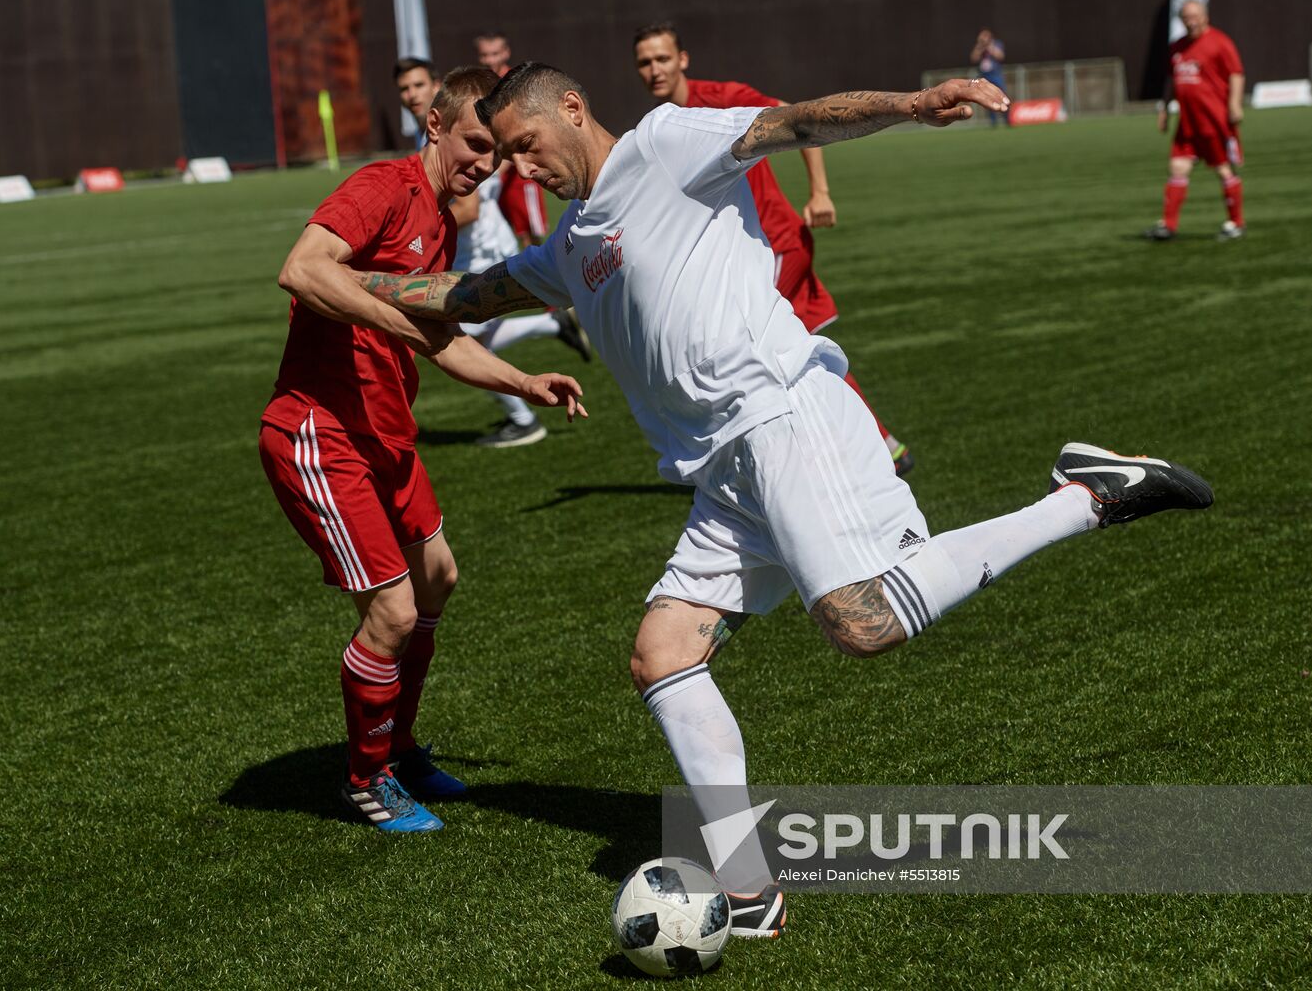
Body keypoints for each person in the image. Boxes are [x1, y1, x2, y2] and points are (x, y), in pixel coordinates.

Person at [352, 64, 1213, 927]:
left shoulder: (664, 144)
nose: (517, 168)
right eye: (503, 156)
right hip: (722, 472)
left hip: (782, 416)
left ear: (572, 109)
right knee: (663, 654)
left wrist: (910, 105)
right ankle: (750, 892)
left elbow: (795, 123)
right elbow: (463, 296)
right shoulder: (571, 246)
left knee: (862, 623)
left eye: (525, 146)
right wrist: (349, 288)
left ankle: (1086, 496)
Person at [258, 66, 586, 834]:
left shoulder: (440, 220)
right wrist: (401, 326)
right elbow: (301, 271)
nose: (485, 162)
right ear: (435, 126)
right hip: (320, 432)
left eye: (497, 153)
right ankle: (365, 779)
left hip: (384, 436)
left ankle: (399, 748)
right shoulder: (382, 186)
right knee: (393, 611)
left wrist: (520, 380)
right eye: (476, 143)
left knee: (437, 576)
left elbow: (440, 340)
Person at [632, 21, 914, 476]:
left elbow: (799, 115)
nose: (654, 69)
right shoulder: (664, 125)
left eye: (662, 58)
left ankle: (772, 466)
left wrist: (819, 191)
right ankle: (883, 446)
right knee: (803, 351)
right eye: (644, 62)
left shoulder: (720, 97)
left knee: (742, 348)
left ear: (682, 59)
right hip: (760, 249)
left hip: (775, 246)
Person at [452, 145, 593, 447]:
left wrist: (419, 221)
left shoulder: (454, 136)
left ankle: (523, 420)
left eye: (416, 91)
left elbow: (467, 209)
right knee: (472, 342)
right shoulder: (458, 135)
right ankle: (555, 326)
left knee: (460, 345)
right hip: (486, 249)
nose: (411, 96)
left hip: (480, 257)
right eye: (403, 92)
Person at [1146, 0, 1246, 241]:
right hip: (1187, 122)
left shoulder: (1220, 42)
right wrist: (1165, 108)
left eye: (1195, 16)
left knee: (1224, 170)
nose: (1191, 22)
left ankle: (1236, 222)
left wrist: (1234, 104)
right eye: (1186, 18)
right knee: (1177, 167)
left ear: (1205, 17)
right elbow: (1172, 80)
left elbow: (1236, 74)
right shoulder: (1177, 47)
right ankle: (1168, 225)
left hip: (1213, 120)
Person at [475, 32, 550, 244]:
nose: (490, 60)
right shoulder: (482, 87)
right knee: (510, 231)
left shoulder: (515, 85)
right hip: (498, 171)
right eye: (485, 55)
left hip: (519, 173)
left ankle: (544, 275)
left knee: (534, 232)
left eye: (495, 53)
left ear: (506, 53)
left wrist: (499, 168)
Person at [395, 57, 440, 149]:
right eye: (404, 89)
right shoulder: (419, 134)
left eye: (419, 85)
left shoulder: (449, 132)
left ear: (436, 87)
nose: (412, 95)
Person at [970, 29, 1008, 127]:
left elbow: (1000, 56)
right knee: (988, 99)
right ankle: (993, 122)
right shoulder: (980, 47)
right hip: (985, 76)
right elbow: (973, 58)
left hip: (996, 75)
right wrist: (980, 46)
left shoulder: (996, 44)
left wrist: (989, 46)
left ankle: (1007, 120)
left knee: (1002, 96)